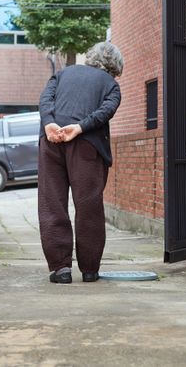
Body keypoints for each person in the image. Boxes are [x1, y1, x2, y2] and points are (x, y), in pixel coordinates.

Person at [37, 42, 123, 284]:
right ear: (115, 67)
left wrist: (49, 123)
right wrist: (80, 127)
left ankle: (60, 269)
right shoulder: (111, 85)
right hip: (87, 146)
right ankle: (89, 269)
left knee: (52, 202)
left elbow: (45, 99)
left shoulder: (62, 73)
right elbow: (106, 110)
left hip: (52, 140)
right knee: (88, 206)